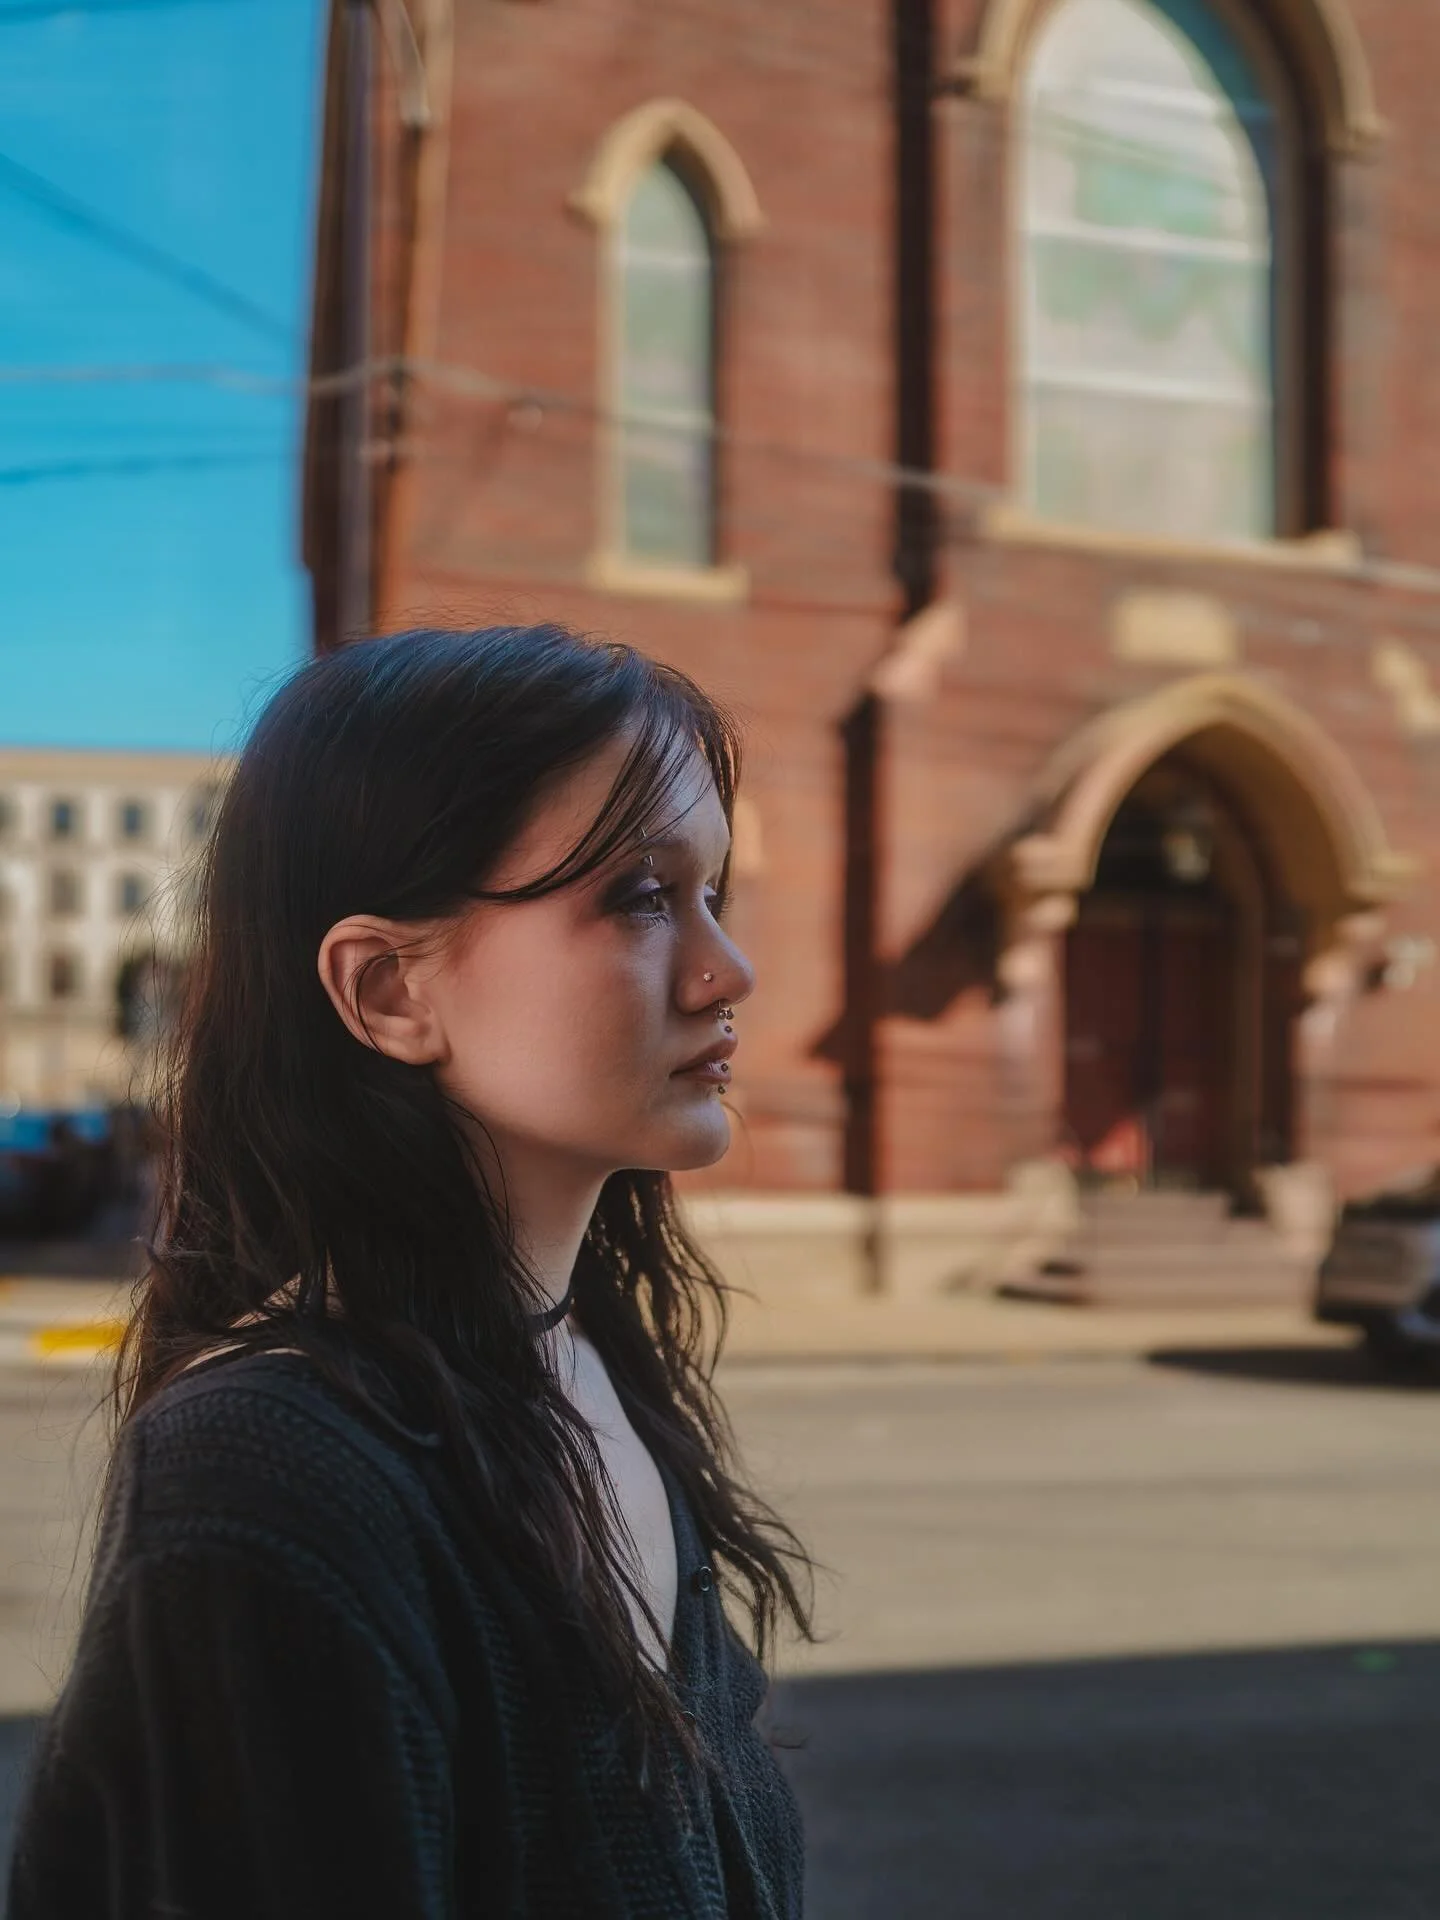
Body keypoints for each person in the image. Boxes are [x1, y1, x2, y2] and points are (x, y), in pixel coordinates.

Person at [8, 625, 815, 1918]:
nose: (729, 972)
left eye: (716, 894)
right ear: (388, 989)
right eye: (642, 897)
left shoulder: (594, 1366)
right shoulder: (271, 1474)